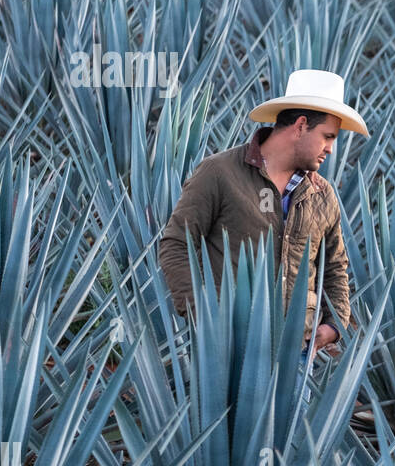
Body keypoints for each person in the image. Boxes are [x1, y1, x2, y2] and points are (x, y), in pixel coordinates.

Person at [157, 69, 366, 381]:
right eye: (328, 137)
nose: (331, 149)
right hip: (225, 349)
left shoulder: (323, 195)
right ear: (301, 126)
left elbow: (335, 267)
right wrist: (206, 314)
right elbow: (175, 245)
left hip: (296, 354)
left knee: (288, 432)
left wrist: (334, 326)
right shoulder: (219, 173)